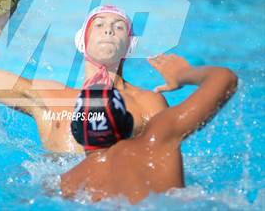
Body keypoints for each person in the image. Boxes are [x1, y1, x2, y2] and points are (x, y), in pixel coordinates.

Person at [0, 5, 168, 153]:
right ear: (82, 41)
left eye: (119, 27)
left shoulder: (148, 103)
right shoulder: (50, 98)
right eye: (99, 25)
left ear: (130, 46)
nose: (109, 30)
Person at [60, 54, 238, 204]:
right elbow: (225, 77)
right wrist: (181, 73)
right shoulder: (157, 140)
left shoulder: (66, 184)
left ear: (75, 132)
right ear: (128, 123)